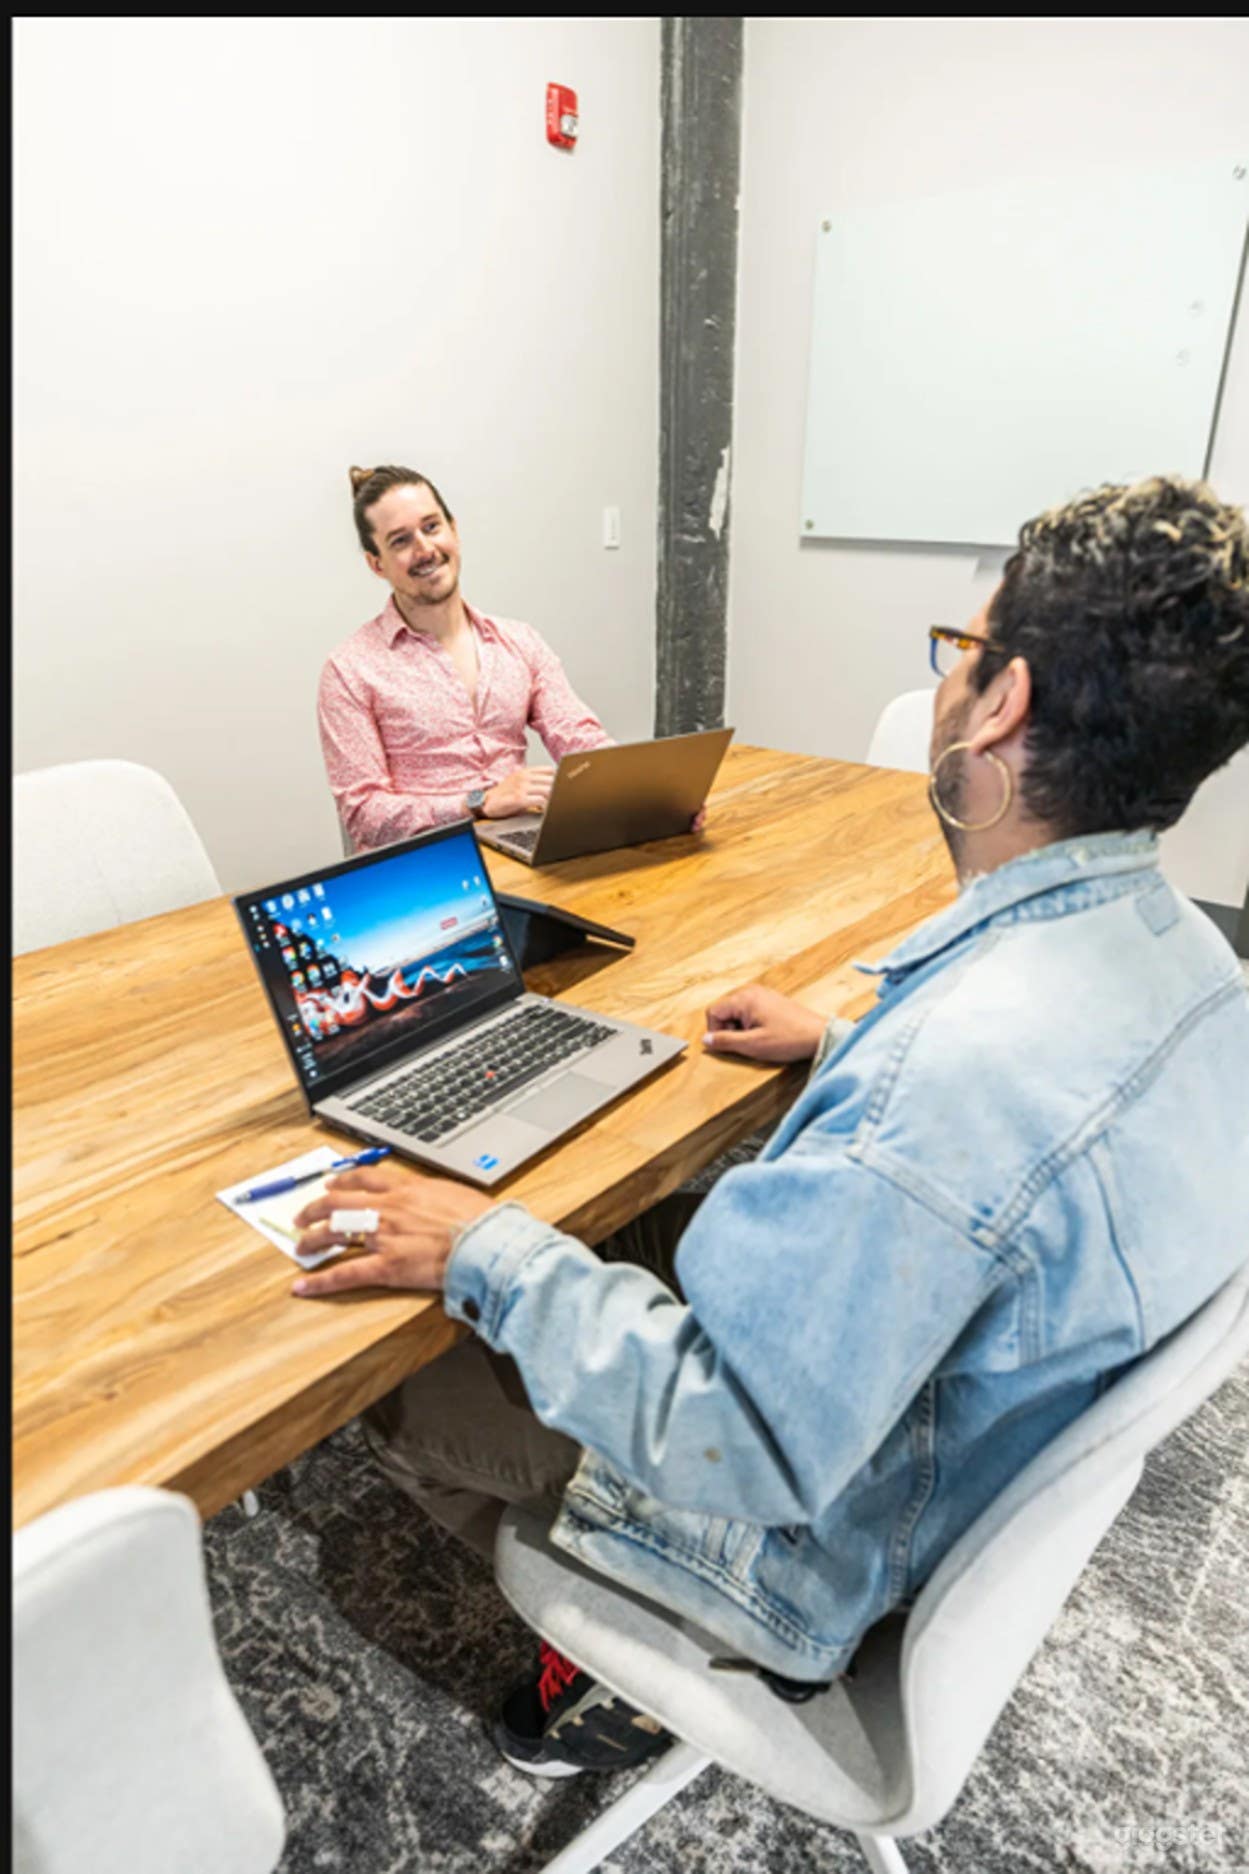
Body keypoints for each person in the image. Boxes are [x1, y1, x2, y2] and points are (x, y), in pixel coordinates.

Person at [293, 475, 1249, 1777]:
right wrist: (847, 1043)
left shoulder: (942, 1086)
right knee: (642, 1219)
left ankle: (616, 1672)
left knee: (405, 1390)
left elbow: (730, 1438)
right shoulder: (1201, 969)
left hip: (809, 1553)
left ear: (1004, 702)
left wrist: (483, 1246)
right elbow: (1006, 1157)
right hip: (944, 1443)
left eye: (962, 654)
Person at [319, 466, 613, 851]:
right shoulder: (350, 670)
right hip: (428, 872)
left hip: (525, 848)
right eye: (400, 541)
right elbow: (365, 815)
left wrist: (646, 796)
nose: (424, 549)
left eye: (431, 527)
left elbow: (579, 737)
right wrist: (478, 803)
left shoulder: (519, 642)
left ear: (453, 529)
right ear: (377, 564)